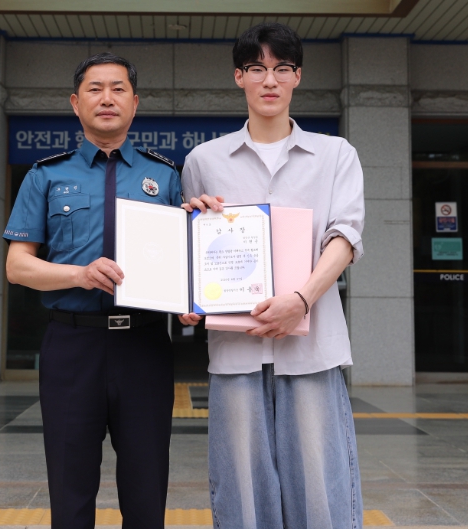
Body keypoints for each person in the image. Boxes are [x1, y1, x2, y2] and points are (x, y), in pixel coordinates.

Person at [180, 23, 365, 529]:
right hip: (236, 347)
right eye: (257, 68)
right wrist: (189, 296)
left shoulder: (335, 154)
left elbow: (345, 237)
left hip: (312, 345)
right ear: (238, 76)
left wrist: (300, 300)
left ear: (297, 77)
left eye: (282, 69)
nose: (269, 80)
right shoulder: (203, 160)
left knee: (319, 486)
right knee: (240, 485)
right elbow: (193, 248)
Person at [3, 52, 182, 529]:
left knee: (146, 491)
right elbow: (17, 266)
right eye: (95, 89)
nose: (107, 98)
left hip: (144, 345)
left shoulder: (165, 176)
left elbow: (182, 259)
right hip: (71, 345)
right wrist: (79, 275)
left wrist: (193, 302)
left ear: (135, 103)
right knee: (70, 488)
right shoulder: (45, 175)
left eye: (118, 89)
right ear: (75, 102)